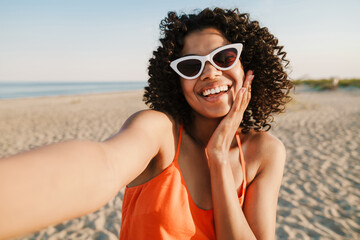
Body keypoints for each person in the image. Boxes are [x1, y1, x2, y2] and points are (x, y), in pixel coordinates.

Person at [0, 7, 293, 240]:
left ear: (246, 65)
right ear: (176, 81)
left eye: (225, 57)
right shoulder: (159, 132)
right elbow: (105, 166)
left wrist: (218, 159)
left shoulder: (263, 152)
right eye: (191, 65)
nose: (210, 72)